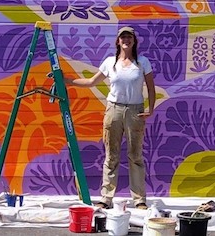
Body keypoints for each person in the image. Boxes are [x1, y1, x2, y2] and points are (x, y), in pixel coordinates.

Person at [65, 26, 156, 209]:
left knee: (135, 155)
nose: (126, 40)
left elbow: (151, 88)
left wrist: (150, 109)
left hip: (134, 111)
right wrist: (66, 79)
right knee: (111, 155)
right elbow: (91, 82)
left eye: (129, 37)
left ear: (134, 41)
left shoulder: (142, 62)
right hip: (113, 110)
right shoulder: (109, 62)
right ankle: (106, 198)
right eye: (123, 37)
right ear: (118, 41)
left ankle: (139, 199)